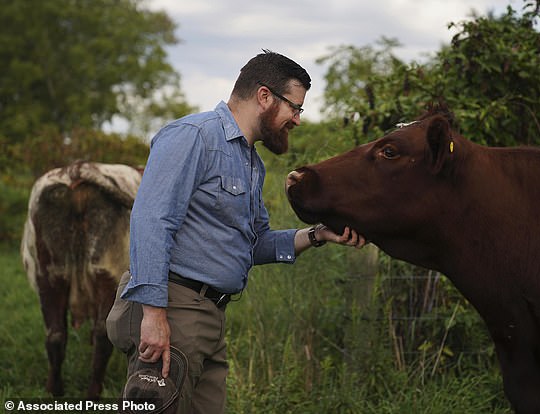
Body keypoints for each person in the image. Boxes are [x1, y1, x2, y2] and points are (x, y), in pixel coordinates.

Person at [106, 50, 366, 414]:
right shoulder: (193, 136)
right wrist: (153, 314)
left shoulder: (251, 164)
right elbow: (151, 220)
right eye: (295, 107)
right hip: (174, 308)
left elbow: (255, 244)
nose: (298, 120)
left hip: (209, 319)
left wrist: (319, 235)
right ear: (264, 96)